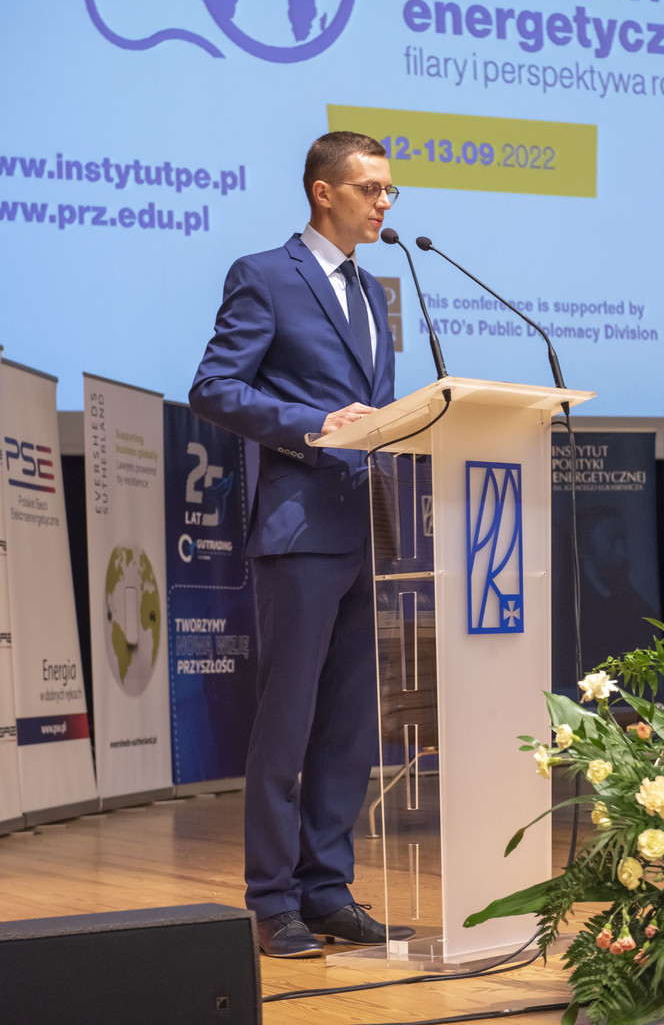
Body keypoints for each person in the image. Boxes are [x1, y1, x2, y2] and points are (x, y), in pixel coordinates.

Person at [189, 132, 414, 958]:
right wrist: (312, 424)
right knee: (286, 726)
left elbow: (373, 408)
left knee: (349, 730)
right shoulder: (265, 275)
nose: (383, 202)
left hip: (365, 528)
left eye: (389, 190)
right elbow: (214, 387)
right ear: (324, 192)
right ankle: (272, 900)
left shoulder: (374, 290)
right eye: (370, 188)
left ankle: (327, 891)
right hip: (299, 530)